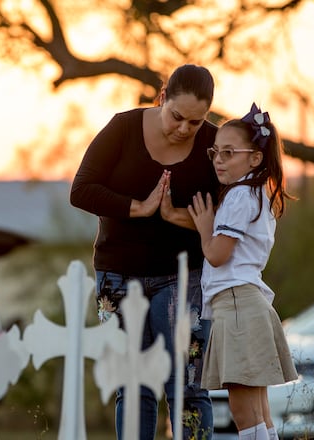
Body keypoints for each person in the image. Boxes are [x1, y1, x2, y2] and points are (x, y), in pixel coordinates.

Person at [70, 64, 220, 440]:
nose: (185, 129)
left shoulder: (214, 145)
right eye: (178, 117)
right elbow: (82, 189)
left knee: (188, 385)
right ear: (163, 97)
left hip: (185, 277)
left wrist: (173, 215)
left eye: (196, 122)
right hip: (118, 277)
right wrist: (138, 207)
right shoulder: (122, 128)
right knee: (133, 384)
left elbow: (226, 217)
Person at [187, 103, 298, 440]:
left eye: (229, 153)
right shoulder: (257, 193)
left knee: (242, 407)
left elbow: (218, 255)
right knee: (258, 407)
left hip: (236, 304)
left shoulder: (238, 196)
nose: (219, 160)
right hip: (247, 302)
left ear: (255, 158)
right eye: (215, 152)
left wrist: (206, 227)